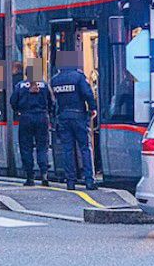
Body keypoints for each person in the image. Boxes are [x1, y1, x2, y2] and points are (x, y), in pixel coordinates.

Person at [51, 52, 98, 190]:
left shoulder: (55, 80)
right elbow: (88, 94)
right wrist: (93, 108)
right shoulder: (78, 77)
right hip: (78, 116)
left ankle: (70, 181)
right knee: (85, 148)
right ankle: (89, 180)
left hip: (63, 117)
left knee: (68, 150)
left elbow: (54, 101)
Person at [11, 69, 54, 187]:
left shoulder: (20, 86)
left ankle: (30, 177)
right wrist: (47, 112)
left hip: (25, 118)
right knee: (42, 147)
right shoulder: (45, 85)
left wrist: (19, 111)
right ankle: (44, 175)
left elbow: (13, 102)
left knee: (26, 148)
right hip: (42, 118)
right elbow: (52, 102)